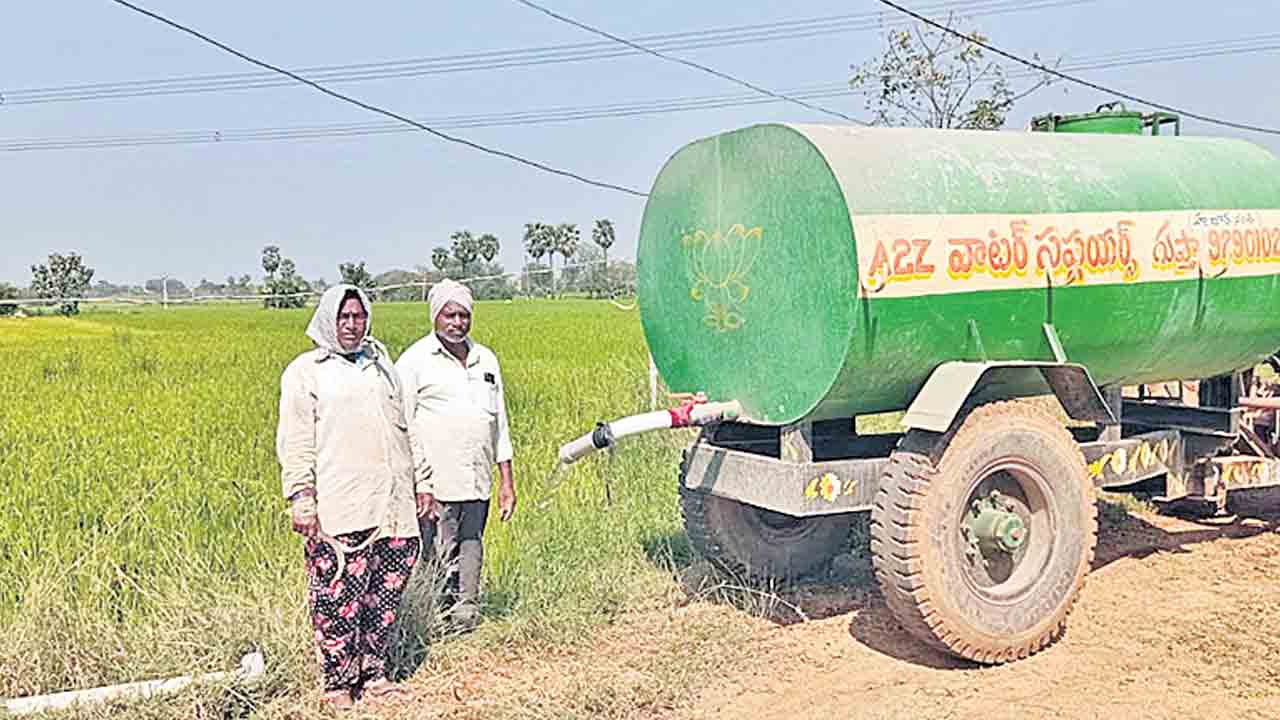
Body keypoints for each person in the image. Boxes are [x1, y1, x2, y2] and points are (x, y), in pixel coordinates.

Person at [276, 284, 436, 709]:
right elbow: (296, 440)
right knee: (337, 596)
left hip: (392, 504)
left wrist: (423, 482)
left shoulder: (381, 366)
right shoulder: (306, 372)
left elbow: (408, 428)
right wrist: (301, 496)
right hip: (340, 506)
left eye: (358, 317)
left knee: (382, 595)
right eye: (343, 318)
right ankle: (337, 684)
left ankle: (374, 675)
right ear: (328, 320)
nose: (352, 325)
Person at [395, 279, 515, 630]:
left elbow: (499, 425)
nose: (458, 322)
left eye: (464, 315)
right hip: (435, 480)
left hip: (477, 475)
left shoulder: (485, 359)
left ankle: (467, 611)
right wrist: (419, 482)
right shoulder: (416, 361)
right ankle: (437, 614)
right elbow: (403, 424)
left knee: (472, 543)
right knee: (437, 548)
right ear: (435, 316)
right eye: (451, 314)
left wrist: (506, 481)